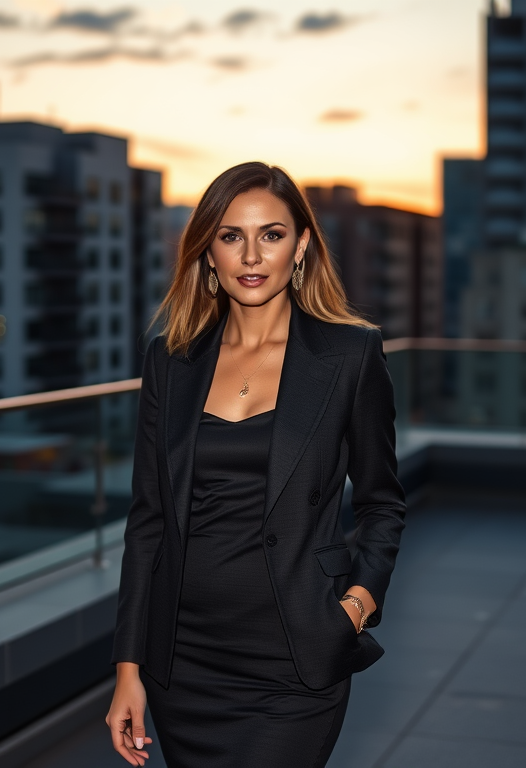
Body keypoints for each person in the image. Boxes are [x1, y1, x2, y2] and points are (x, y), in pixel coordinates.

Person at [106, 162, 406, 767]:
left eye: (271, 234)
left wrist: (356, 605)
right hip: (184, 664)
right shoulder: (171, 359)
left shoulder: (349, 354)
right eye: (230, 235)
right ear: (207, 254)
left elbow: (382, 502)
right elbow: (148, 522)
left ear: (300, 247)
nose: (251, 254)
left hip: (296, 656)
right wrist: (128, 668)